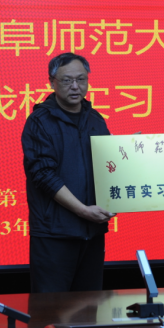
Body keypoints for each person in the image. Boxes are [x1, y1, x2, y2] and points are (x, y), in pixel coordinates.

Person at [21, 52, 114, 292]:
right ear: (52, 82)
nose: (75, 86)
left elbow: (110, 165)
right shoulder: (39, 121)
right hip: (54, 233)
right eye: (67, 80)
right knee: (51, 308)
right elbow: (43, 175)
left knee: (89, 305)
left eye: (81, 79)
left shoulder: (96, 119)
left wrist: (135, 150)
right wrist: (83, 210)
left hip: (92, 232)